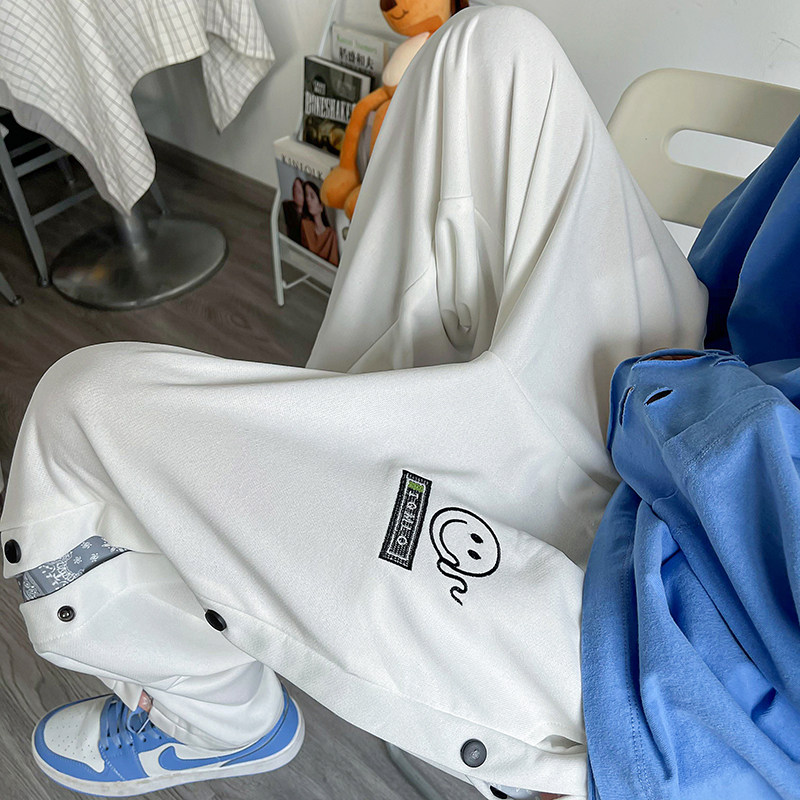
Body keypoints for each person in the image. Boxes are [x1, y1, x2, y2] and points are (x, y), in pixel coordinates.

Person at [0, 6, 706, 800]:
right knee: (488, 45)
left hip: (666, 624)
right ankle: (351, 414)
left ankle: (218, 717)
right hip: (698, 407)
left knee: (76, 411)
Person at [300, 180, 339, 266]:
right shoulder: (305, 225)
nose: (308, 200)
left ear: (321, 206)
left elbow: (333, 265)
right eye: (306, 196)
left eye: (312, 196)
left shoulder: (331, 235)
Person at [282, 176, 305, 244]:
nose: (295, 192)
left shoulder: (309, 215)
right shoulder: (286, 206)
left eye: (299, 191)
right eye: (294, 188)